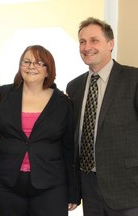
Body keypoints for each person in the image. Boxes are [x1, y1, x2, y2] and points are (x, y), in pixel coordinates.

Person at [0, 45, 80, 216]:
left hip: (51, 186)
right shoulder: (4, 94)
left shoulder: (62, 102)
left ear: (48, 70)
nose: (32, 66)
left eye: (39, 63)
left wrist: (73, 190)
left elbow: (69, 147)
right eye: (27, 61)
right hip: (6, 184)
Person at [66, 17, 138, 216]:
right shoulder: (74, 87)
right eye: (82, 41)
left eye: (94, 40)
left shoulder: (133, 79)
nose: (86, 47)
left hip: (128, 187)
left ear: (110, 43)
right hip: (89, 186)